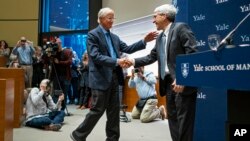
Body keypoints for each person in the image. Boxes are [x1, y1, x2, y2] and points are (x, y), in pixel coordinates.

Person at [70, 7, 158, 141]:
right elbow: (95, 56)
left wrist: (144, 41)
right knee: (97, 110)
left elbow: (127, 48)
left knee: (114, 112)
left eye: (113, 18)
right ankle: (78, 135)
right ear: (100, 19)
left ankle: (112, 138)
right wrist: (117, 61)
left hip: (115, 78)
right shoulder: (92, 35)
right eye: (109, 18)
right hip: (100, 78)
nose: (112, 21)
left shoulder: (114, 37)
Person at [126, 4, 198, 141]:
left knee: (184, 122)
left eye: (155, 16)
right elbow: (151, 57)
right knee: (174, 121)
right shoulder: (159, 38)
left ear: (164, 16)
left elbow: (192, 54)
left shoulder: (181, 28)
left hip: (182, 82)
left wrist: (183, 78)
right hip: (167, 84)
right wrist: (132, 61)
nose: (153, 20)